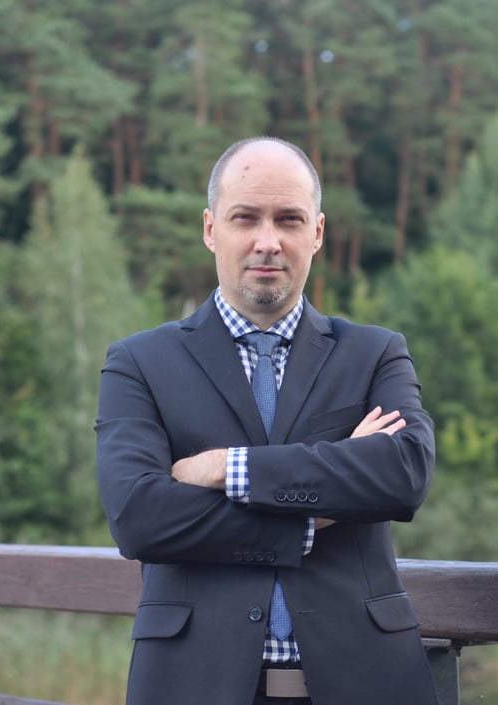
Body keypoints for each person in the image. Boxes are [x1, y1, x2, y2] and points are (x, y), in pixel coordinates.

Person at [95, 137, 439, 705]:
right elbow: (139, 517)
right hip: (192, 686)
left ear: (318, 233)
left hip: (368, 682)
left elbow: (402, 475)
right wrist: (315, 512)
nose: (268, 241)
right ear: (211, 229)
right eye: (245, 218)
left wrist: (227, 469)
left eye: (289, 220)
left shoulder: (374, 353)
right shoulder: (139, 363)